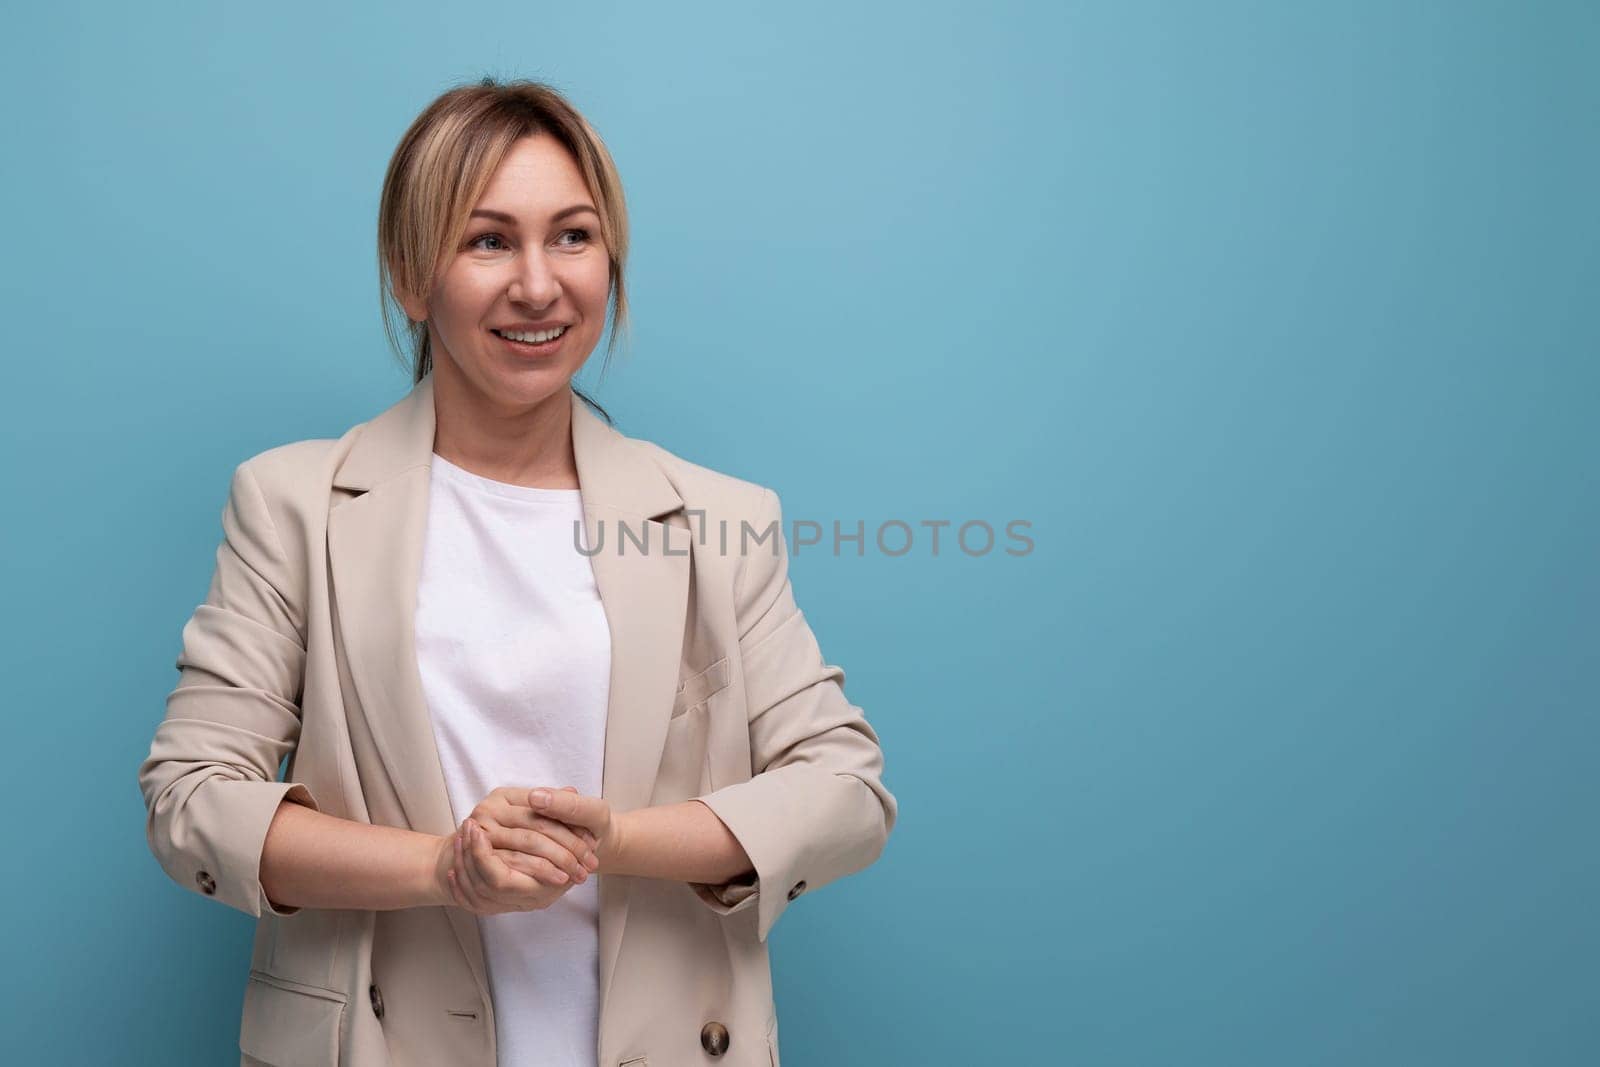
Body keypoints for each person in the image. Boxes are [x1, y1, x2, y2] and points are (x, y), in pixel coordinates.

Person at [137, 77, 897, 1067]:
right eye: (487, 239)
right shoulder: (295, 502)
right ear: (412, 276)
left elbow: (845, 789)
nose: (538, 285)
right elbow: (190, 799)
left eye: (573, 236)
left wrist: (615, 840)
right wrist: (444, 866)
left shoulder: (720, 519)